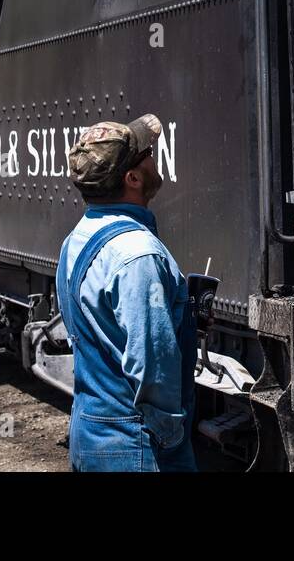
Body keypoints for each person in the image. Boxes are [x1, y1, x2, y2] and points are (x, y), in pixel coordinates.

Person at [57, 114, 197, 472]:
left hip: (89, 433)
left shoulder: (75, 241)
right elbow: (152, 363)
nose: (154, 156)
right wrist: (171, 440)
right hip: (134, 446)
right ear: (132, 178)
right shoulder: (139, 255)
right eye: (146, 153)